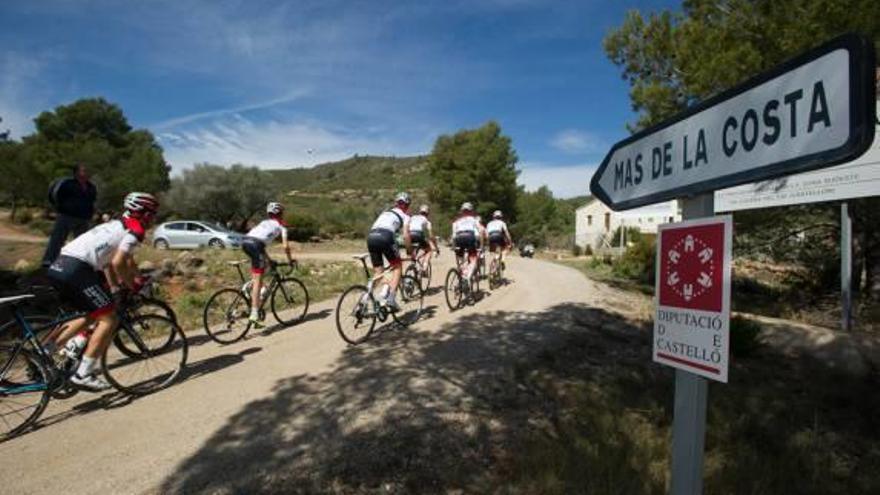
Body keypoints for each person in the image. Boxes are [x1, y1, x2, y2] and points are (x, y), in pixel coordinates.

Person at [43, 192, 159, 391]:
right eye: (153, 214)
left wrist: (114, 288)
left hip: (60, 265)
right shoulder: (135, 229)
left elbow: (111, 265)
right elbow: (119, 262)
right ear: (144, 214)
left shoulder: (115, 224)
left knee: (91, 315)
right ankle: (83, 373)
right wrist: (135, 286)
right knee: (110, 319)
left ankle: (44, 352)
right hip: (78, 269)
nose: (153, 218)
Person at [241, 202, 294, 328]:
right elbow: (285, 246)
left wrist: (269, 260)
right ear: (280, 213)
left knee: (260, 270)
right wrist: (290, 260)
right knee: (259, 280)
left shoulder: (264, 222)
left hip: (246, 242)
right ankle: (254, 314)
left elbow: (260, 244)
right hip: (256, 245)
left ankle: (250, 288)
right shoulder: (281, 226)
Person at [42, 164, 98, 267]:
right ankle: (48, 261)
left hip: (83, 218)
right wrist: (61, 208)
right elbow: (55, 196)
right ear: (76, 173)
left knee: (81, 242)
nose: (86, 173)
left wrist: (91, 214)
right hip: (66, 216)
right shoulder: (67, 184)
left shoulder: (91, 187)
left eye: (87, 171)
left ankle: (77, 264)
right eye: (84, 171)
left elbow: (92, 201)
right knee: (57, 240)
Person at [366, 192, 412, 311]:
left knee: (379, 272)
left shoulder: (385, 212)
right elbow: (406, 235)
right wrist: (409, 251)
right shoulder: (406, 216)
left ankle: (365, 298)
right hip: (386, 235)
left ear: (396, 204)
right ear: (407, 205)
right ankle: (391, 298)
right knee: (397, 266)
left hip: (371, 236)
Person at [452, 202, 483, 283]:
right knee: (473, 258)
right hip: (469, 237)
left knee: (461, 259)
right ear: (471, 211)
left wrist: (454, 245)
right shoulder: (474, 219)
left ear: (462, 211)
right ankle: (467, 277)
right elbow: (480, 231)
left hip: (458, 237)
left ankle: (462, 273)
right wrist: (482, 245)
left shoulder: (457, 221)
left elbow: (453, 234)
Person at [409, 205, 438, 270]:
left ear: (419, 212)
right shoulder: (427, 221)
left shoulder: (412, 217)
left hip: (409, 234)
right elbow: (431, 236)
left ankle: (413, 263)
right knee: (429, 251)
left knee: (413, 249)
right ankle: (424, 269)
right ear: (427, 214)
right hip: (418, 234)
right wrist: (436, 247)